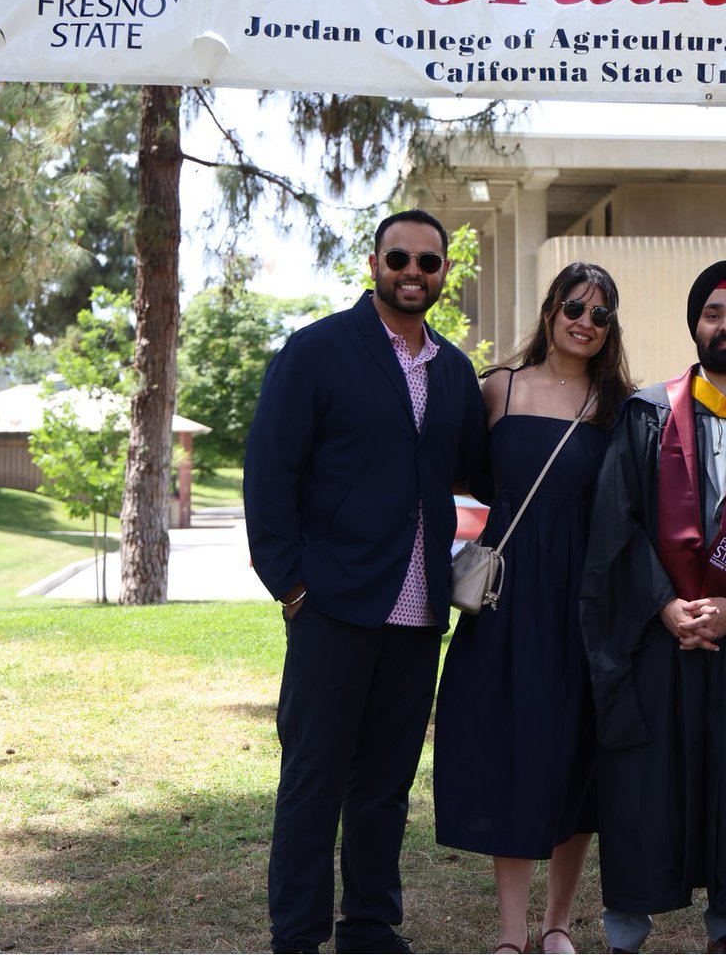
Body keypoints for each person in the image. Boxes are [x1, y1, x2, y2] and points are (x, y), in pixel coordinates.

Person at [244, 209, 488, 955]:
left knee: (384, 783)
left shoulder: (452, 371)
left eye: (429, 263)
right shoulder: (317, 351)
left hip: (418, 613)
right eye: (400, 259)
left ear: (445, 273)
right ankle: (297, 935)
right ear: (375, 264)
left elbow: (479, 470)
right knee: (314, 781)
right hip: (333, 607)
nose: (413, 273)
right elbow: (269, 473)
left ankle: (372, 925)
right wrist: (290, 585)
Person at [580, 259, 726, 955]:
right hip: (656, 635)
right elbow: (616, 525)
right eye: (714, 313)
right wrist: (663, 605)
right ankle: (628, 927)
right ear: (695, 325)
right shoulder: (646, 413)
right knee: (642, 777)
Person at [434, 263, 634, 955]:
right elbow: (458, 479)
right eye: (574, 306)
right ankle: (512, 934)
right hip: (507, 595)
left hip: (585, 600)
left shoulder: (619, 406)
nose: (585, 320)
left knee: (577, 754)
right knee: (509, 749)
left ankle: (558, 924)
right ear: (550, 310)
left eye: (600, 313)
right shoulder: (499, 388)